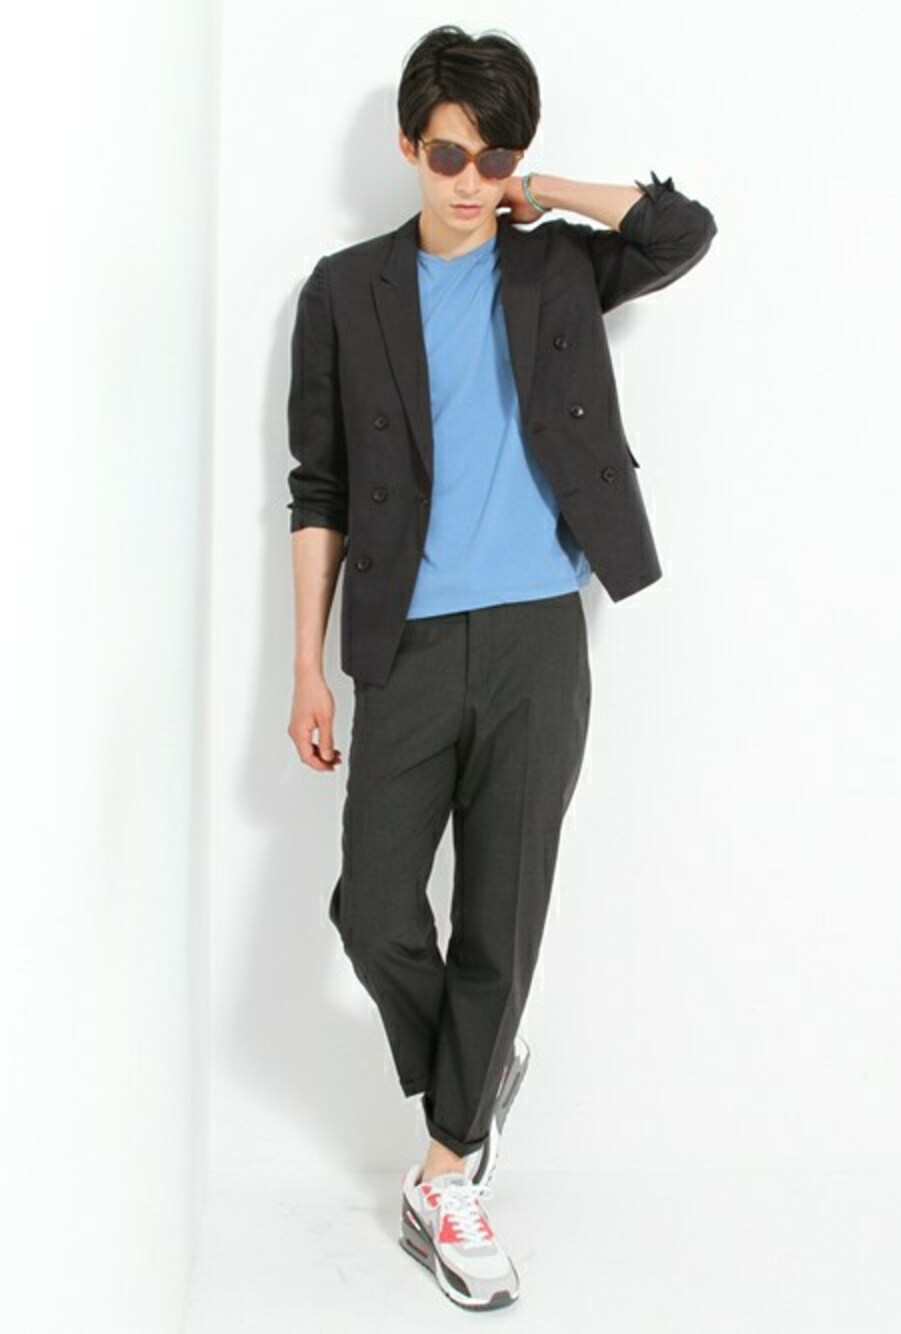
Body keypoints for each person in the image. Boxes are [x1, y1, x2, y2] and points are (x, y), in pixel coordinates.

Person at [285, 24, 717, 1311]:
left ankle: (445, 1170)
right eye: (449, 154)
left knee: (501, 908)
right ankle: (476, 1073)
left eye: (494, 157)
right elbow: (319, 487)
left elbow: (681, 230)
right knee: (373, 907)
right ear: (408, 146)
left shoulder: (554, 267)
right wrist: (306, 667)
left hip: (537, 635)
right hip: (407, 643)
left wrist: (549, 189)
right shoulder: (344, 290)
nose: (469, 180)